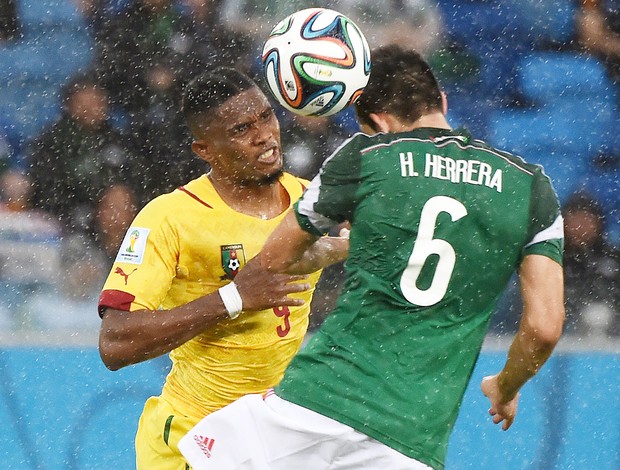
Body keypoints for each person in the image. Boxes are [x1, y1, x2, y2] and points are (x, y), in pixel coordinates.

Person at [178, 45, 566, 470]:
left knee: (203, 453)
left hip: (320, 398)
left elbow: (274, 260)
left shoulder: (366, 156)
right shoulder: (531, 188)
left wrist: (341, 246)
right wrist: (506, 386)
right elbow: (545, 327)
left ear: (378, 123)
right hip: (415, 437)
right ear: (443, 102)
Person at [97, 67, 348, 469]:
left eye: (267, 116)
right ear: (205, 150)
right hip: (194, 439)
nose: (264, 135)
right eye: (241, 129)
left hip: (277, 437)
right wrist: (233, 297)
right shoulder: (170, 218)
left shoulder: (311, 202)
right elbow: (114, 343)